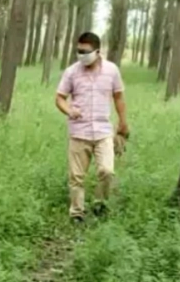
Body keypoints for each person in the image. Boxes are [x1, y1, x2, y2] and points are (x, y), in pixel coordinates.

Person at [55, 32, 129, 222]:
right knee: (76, 177)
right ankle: (77, 213)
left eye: (85, 52)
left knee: (107, 171)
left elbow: (118, 97)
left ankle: (100, 204)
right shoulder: (71, 72)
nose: (81, 55)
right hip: (79, 132)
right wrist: (69, 110)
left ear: (97, 51)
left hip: (104, 132)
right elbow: (59, 98)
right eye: (79, 51)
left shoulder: (111, 70)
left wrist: (123, 122)